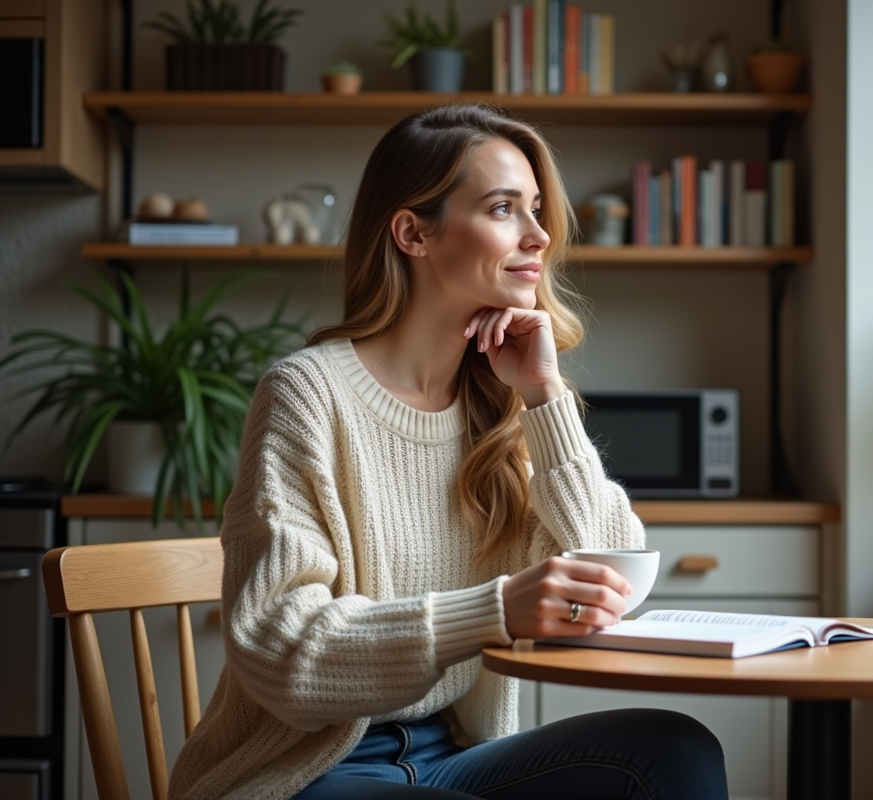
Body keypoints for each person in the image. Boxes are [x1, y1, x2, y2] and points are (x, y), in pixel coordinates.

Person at [168, 103, 728, 800]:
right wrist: (494, 610)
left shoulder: (498, 401)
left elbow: (606, 577)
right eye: (503, 209)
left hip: (450, 755)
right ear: (412, 233)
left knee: (675, 750)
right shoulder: (307, 393)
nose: (538, 234)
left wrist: (546, 398)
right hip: (307, 768)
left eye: (535, 209)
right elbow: (283, 649)